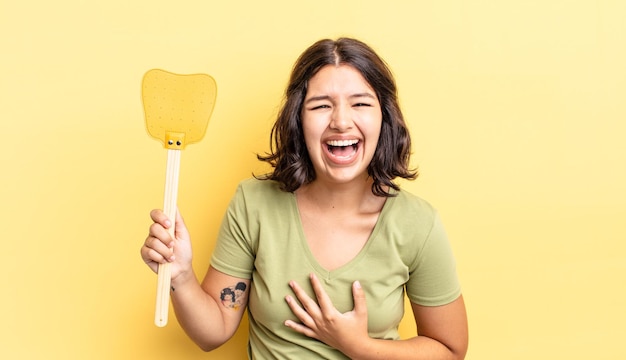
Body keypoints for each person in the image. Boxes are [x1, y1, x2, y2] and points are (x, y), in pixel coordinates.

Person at [141, 37, 468, 359]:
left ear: (384, 117)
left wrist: (358, 346)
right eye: (322, 105)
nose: (340, 121)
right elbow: (213, 333)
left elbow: (450, 350)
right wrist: (181, 276)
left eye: (360, 103)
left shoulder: (418, 224)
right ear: (298, 118)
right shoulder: (253, 204)